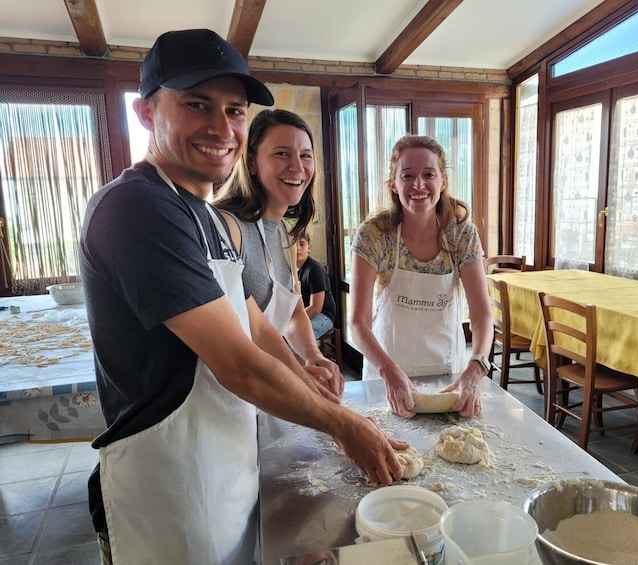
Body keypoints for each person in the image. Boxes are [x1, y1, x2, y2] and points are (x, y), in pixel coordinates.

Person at [79, 29, 405, 564]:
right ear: (145, 112)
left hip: (223, 467)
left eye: (234, 110)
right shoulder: (137, 208)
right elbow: (238, 364)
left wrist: (313, 381)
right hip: (166, 486)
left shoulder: (205, 216)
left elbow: (254, 326)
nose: (220, 127)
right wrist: (347, 426)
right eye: (196, 105)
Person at [349, 134, 494, 419]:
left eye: (429, 174)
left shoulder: (460, 233)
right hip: (385, 375)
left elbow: (482, 315)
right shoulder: (375, 235)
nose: (418, 185)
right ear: (394, 184)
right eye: (407, 175)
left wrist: (476, 367)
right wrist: (388, 371)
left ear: (443, 182)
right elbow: (357, 322)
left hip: (446, 376)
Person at [213, 109, 343, 395]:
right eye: (282, 154)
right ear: (251, 163)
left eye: (305, 155)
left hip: (270, 390)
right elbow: (250, 332)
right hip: (228, 391)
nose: (297, 167)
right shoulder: (226, 227)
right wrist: (301, 377)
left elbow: (295, 313)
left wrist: (313, 355)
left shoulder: (283, 232)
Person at [295, 232, 336, 339]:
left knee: (301, 336)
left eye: (302, 244)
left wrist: (294, 320)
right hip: (303, 314)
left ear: (309, 247)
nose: (298, 248)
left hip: (323, 315)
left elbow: (316, 307)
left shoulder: (315, 270)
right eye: (293, 244)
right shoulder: (289, 269)